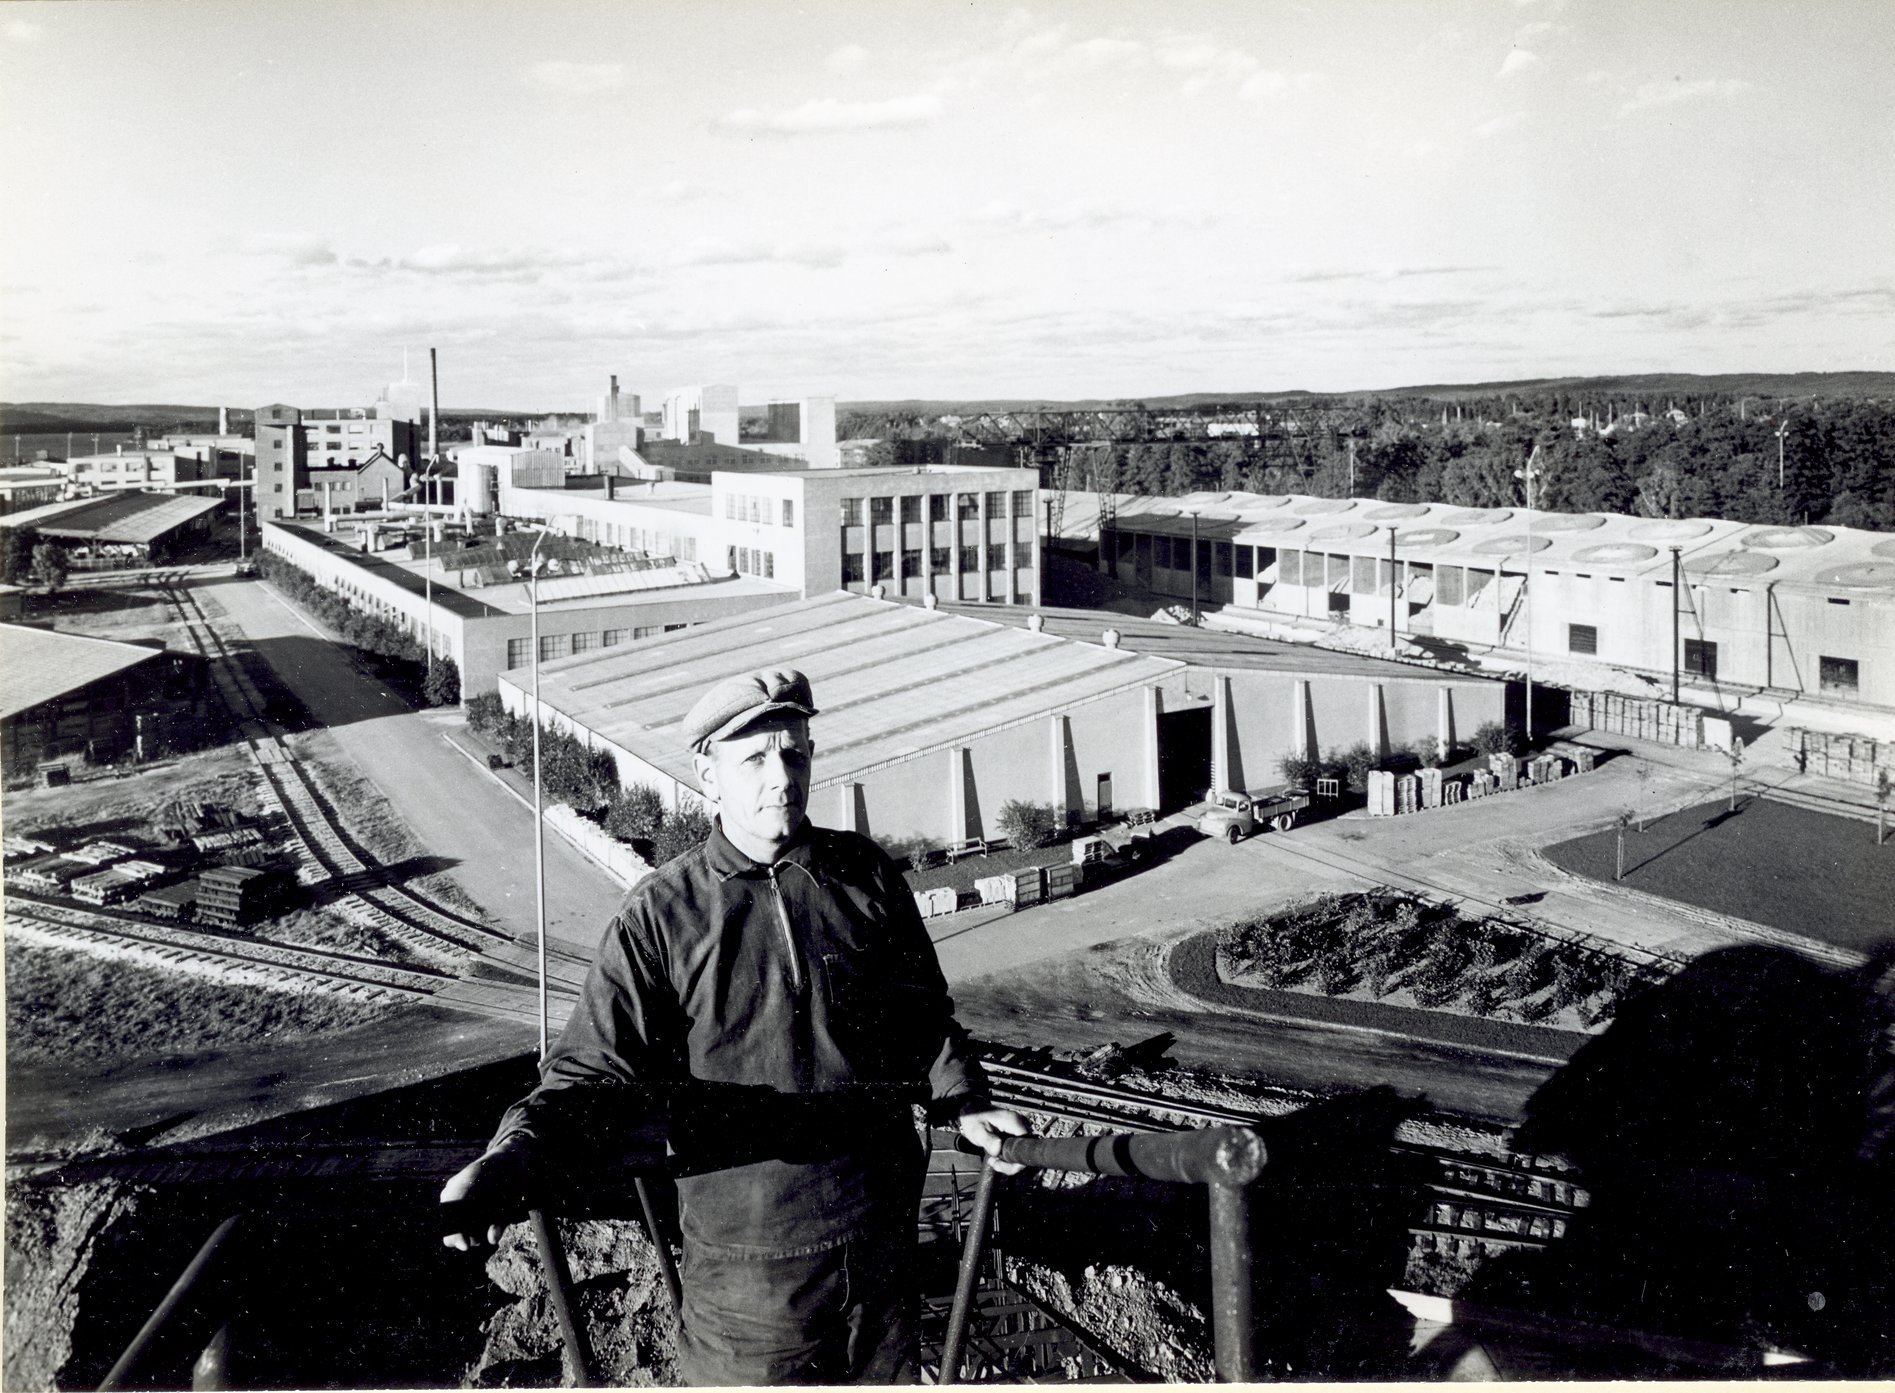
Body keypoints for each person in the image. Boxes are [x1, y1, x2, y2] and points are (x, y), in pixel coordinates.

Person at [440, 667, 1028, 1385]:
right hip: (749, 1282)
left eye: (795, 752)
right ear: (706, 774)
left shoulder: (864, 875)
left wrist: (965, 1098)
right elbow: (589, 1074)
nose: (782, 777)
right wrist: (511, 1156)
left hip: (880, 1255)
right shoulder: (662, 915)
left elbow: (920, 1019)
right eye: (753, 757)